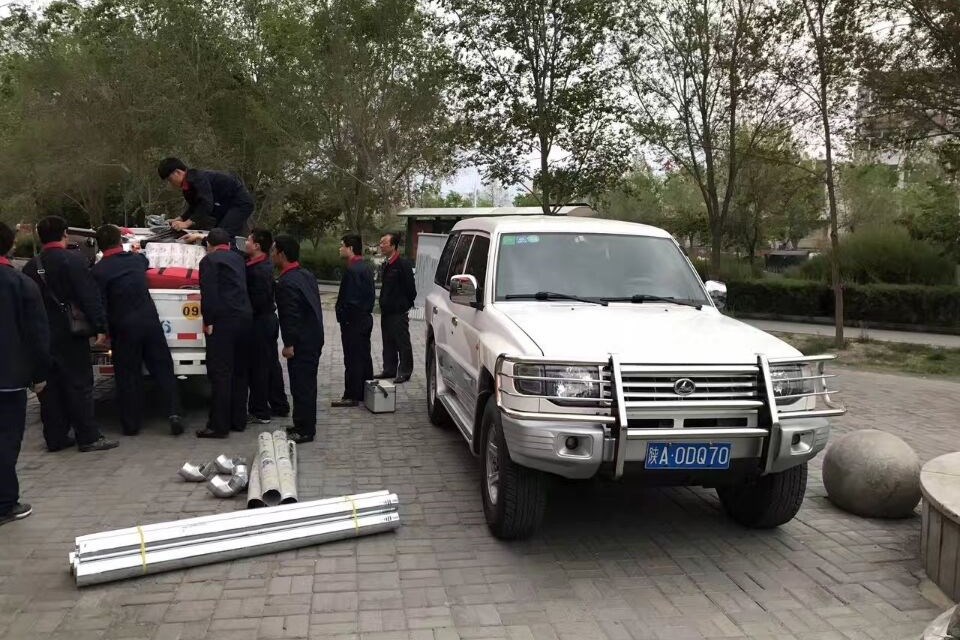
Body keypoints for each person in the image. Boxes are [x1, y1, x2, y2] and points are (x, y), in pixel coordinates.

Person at [22, 216, 118, 453]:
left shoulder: (31, 266)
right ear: (65, 233)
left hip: (42, 335)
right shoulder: (74, 261)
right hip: (71, 334)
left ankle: (56, 437)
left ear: (40, 237)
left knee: (50, 389)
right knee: (79, 385)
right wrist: (100, 327)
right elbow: (89, 296)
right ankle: (88, 437)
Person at [91, 224, 184, 436]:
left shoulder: (98, 271)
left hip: (123, 327)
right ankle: (174, 413)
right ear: (119, 241)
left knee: (128, 375)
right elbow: (145, 261)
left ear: (100, 245)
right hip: (150, 322)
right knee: (163, 369)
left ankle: (131, 424)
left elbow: (99, 304)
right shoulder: (136, 260)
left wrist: (101, 330)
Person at [0, 222, 50, 525]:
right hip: (8, 379)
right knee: (6, 440)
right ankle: (5, 503)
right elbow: (37, 335)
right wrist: (39, 375)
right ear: (10, 245)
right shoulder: (20, 284)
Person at [197, 228, 252, 438]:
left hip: (223, 321)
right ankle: (238, 420)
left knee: (220, 373)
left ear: (209, 245)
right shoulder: (238, 259)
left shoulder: (209, 261)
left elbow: (209, 293)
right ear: (228, 244)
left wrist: (208, 320)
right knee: (239, 371)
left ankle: (218, 425)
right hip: (244, 320)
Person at [271, 235, 324, 443]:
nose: (272, 254)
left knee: (302, 386)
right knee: (304, 384)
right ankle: (301, 423)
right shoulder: (305, 275)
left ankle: (306, 430)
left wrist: (289, 344)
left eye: (274, 250)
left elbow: (290, 316)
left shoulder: (286, 282)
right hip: (313, 337)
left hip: (302, 341)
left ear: (282, 254)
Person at [245, 228, 290, 424]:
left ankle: (260, 411)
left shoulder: (259, 270)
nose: (246, 243)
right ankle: (279, 404)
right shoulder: (260, 264)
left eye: (248, 240)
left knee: (258, 368)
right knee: (270, 365)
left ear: (256, 245)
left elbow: (259, 301)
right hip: (267, 321)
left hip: (260, 322)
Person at [157, 157, 255, 240]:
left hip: (240, 203)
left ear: (178, 172)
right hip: (224, 206)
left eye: (170, 179)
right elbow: (195, 207)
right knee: (216, 233)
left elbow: (206, 204)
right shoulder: (187, 187)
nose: (170, 183)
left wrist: (186, 224)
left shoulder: (198, 178)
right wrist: (179, 219)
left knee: (222, 234)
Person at [333, 234, 375, 408]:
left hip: (354, 321)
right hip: (364, 319)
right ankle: (365, 391)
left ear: (350, 248)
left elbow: (350, 299)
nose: (340, 249)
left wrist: (342, 316)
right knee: (363, 356)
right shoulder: (364, 267)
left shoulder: (353, 270)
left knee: (352, 358)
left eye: (342, 245)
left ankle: (351, 395)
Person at [375, 232, 416, 384]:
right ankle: (389, 369)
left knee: (402, 342)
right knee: (388, 342)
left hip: (398, 312)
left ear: (393, 245)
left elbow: (411, 289)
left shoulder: (402, 264)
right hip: (386, 312)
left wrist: (404, 306)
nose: (381, 245)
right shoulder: (387, 264)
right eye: (380, 243)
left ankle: (405, 371)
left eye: (384, 243)